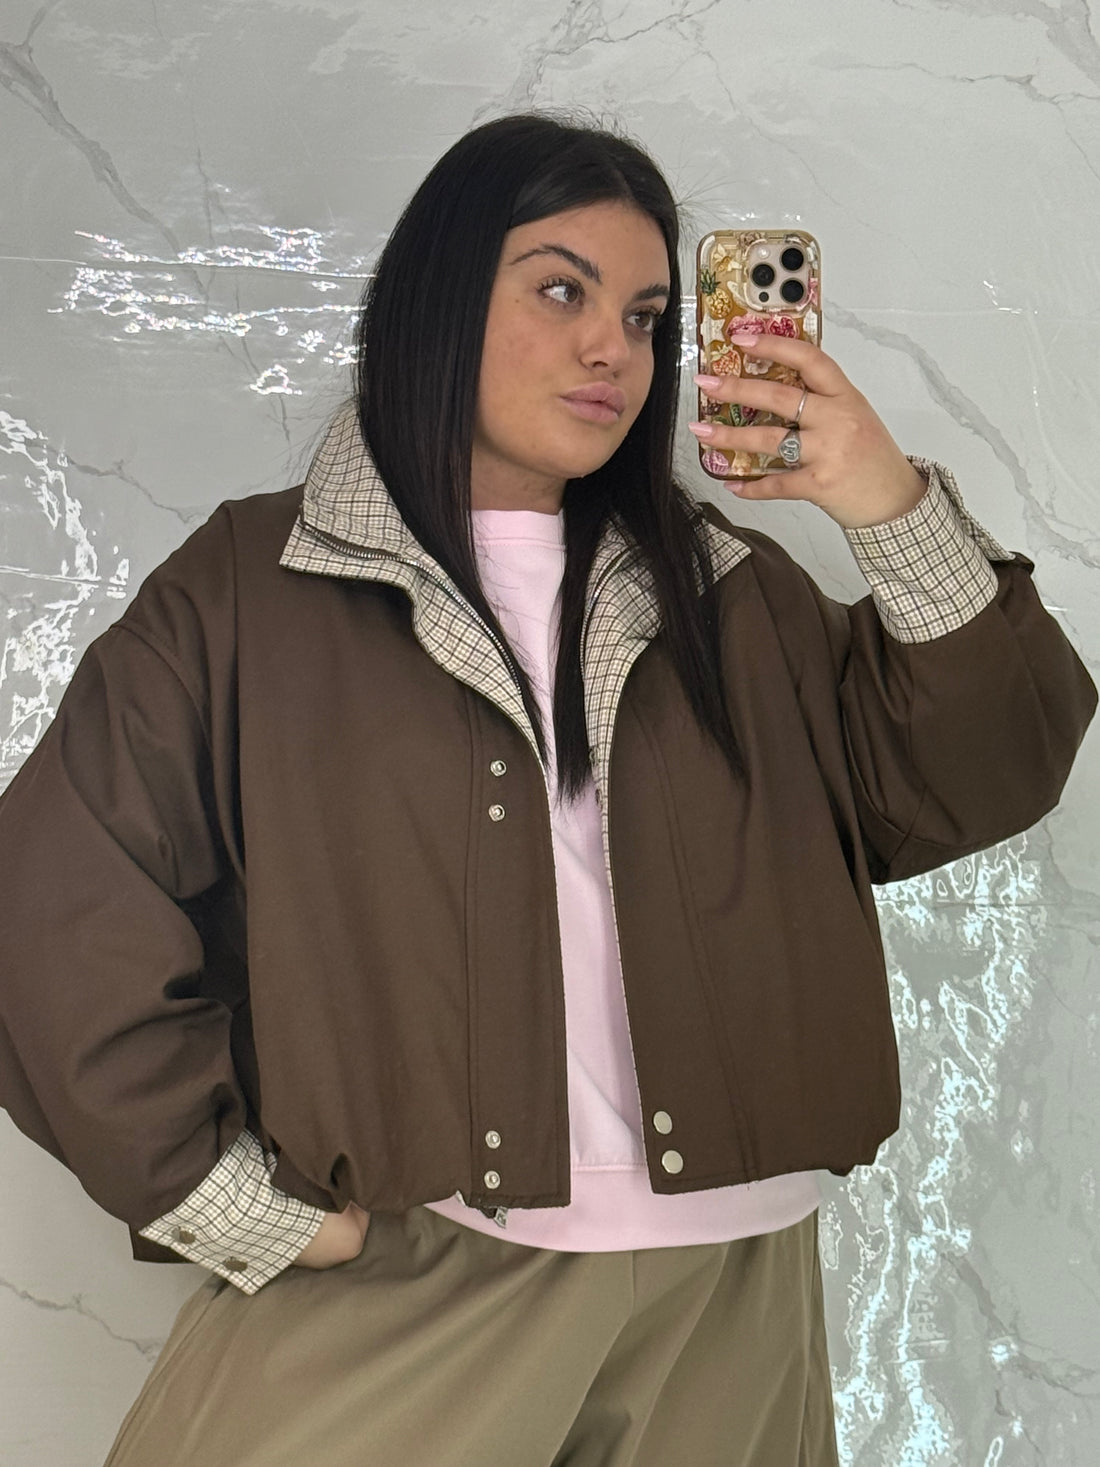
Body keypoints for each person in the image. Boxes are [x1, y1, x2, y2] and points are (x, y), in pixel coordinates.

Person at [0, 112, 1094, 1467]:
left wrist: (885, 503)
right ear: (442, 296)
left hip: (732, 1286)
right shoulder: (254, 588)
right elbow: (52, 905)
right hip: (418, 1263)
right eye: (561, 291)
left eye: (644, 317)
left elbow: (989, 763)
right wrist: (225, 1201)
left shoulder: (734, 594)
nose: (610, 351)